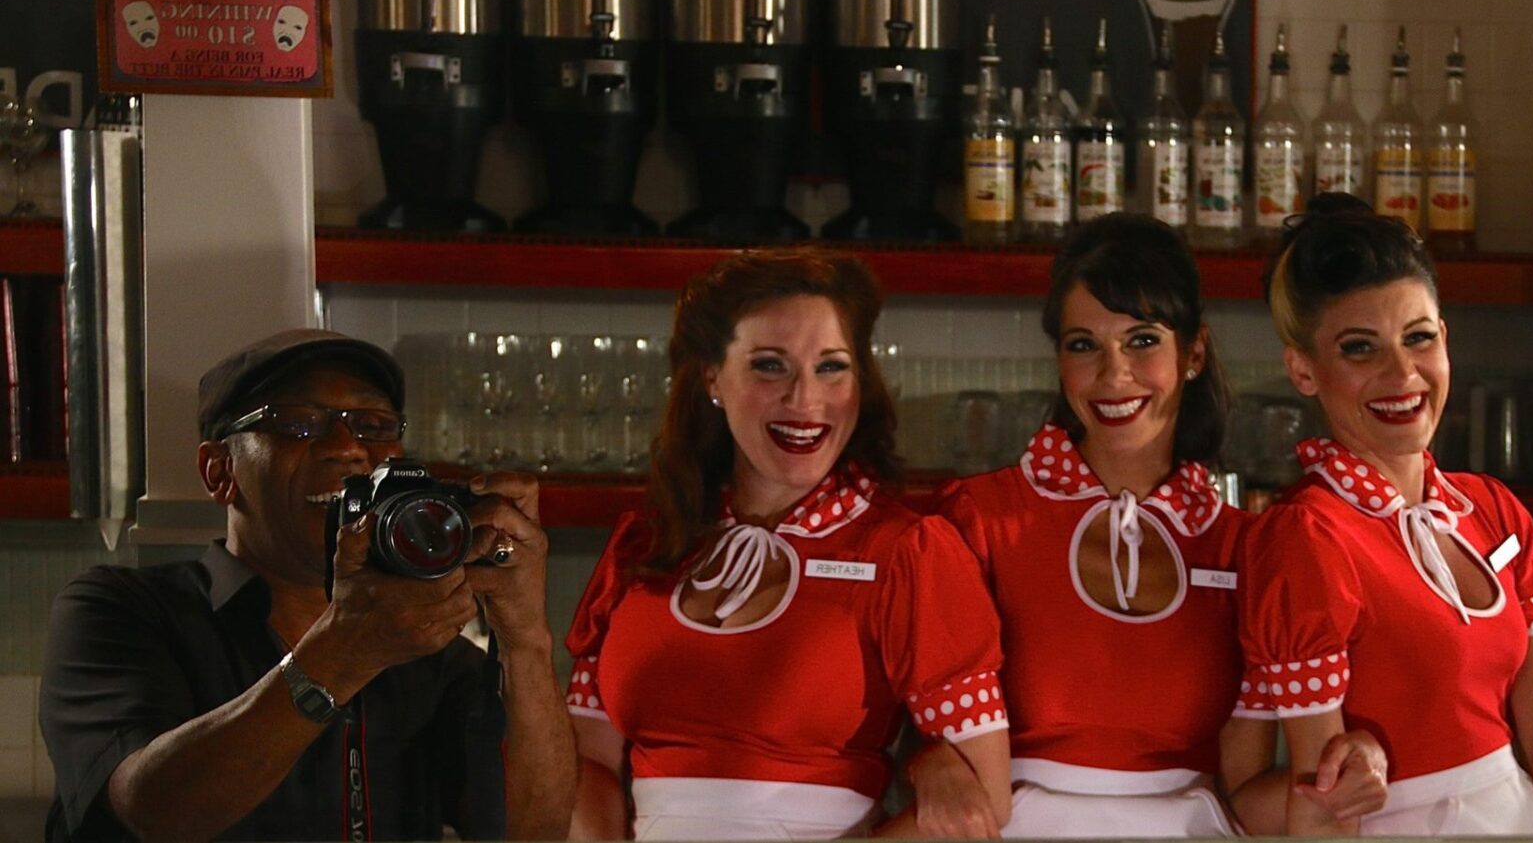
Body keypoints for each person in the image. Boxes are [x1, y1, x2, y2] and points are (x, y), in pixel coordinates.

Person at [933, 213, 1387, 837]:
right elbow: (917, 734)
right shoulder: (977, 521)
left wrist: (1366, 757)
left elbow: (1247, 797)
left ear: (1193, 351)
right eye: (1083, 344)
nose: (1113, 374)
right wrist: (929, 766)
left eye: (1142, 340)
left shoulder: (1244, 549)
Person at [39, 329, 575, 842]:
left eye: (372, 424)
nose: (346, 447)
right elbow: (154, 813)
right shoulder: (119, 611)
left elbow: (530, 831)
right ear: (219, 472)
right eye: (298, 423)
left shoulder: (422, 648)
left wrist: (526, 638)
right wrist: (346, 651)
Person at [565, 249, 1012, 840]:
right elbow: (587, 760)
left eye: (832, 367)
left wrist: (928, 760)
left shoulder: (908, 553)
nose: (806, 400)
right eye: (770, 366)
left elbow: (980, 803)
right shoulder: (643, 546)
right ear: (712, 379)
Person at [1236, 195, 1533, 835]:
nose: (1402, 373)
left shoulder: (1491, 510)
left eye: (1419, 338)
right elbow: (1322, 801)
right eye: (1360, 348)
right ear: (1303, 369)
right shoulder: (1308, 537)